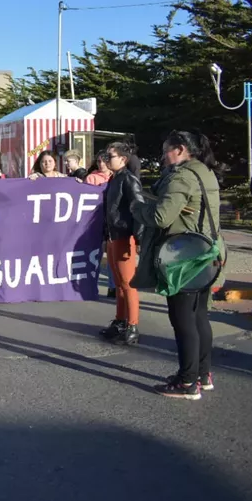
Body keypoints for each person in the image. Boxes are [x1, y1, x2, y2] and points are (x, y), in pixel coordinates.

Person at [132, 131, 222, 400]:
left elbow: (161, 217)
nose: (162, 156)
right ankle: (201, 374)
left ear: (180, 149)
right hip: (208, 252)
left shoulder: (182, 176)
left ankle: (186, 383)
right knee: (199, 317)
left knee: (183, 320)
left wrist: (138, 208)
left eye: (166, 150)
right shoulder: (203, 171)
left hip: (184, 257)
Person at [98, 142, 144, 346]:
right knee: (118, 284)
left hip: (125, 237)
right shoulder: (114, 178)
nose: (107, 159)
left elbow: (138, 210)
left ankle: (132, 326)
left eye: (111, 156)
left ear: (123, 159)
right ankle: (120, 322)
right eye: (107, 156)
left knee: (128, 284)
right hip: (113, 236)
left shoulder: (129, 180)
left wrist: (139, 239)